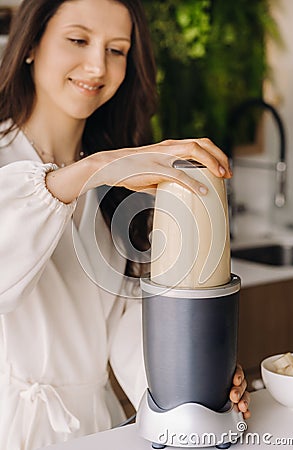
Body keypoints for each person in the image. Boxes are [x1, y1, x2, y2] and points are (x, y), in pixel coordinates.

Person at [0, 0, 250, 449]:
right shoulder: (53, 168)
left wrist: (190, 386)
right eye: (78, 40)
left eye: (117, 50)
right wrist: (92, 170)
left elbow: (130, 328)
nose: (97, 65)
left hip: (99, 431)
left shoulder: (119, 188)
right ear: (31, 44)